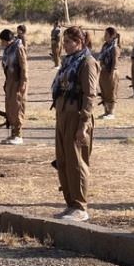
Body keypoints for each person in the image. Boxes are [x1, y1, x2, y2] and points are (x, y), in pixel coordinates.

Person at [51, 26, 100, 221]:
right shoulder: (68, 62)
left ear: (79, 42)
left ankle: (80, 206)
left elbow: (90, 95)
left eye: (68, 42)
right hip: (63, 115)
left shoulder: (87, 62)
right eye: (64, 41)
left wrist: (83, 125)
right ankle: (70, 204)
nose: (65, 45)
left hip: (77, 117)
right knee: (63, 161)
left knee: (77, 162)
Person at [0, 27, 28, 144]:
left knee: (17, 107)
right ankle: (13, 133)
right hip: (10, 81)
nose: (1, 43)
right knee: (10, 107)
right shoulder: (8, 50)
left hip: (18, 81)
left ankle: (18, 134)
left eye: (2, 41)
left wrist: (23, 83)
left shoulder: (18, 48)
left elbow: (24, 67)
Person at [98, 27, 119, 120]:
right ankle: (106, 111)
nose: (104, 36)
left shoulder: (114, 47)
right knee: (104, 91)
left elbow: (115, 61)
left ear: (112, 36)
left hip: (111, 71)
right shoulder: (105, 46)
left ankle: (111, 112)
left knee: (111, 92)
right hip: (104, 71)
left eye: (106, 34)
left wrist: (112, 73)